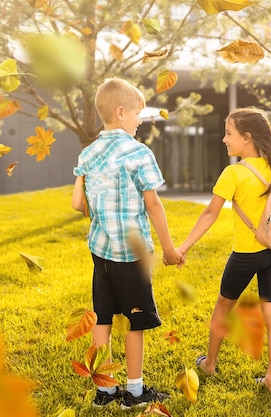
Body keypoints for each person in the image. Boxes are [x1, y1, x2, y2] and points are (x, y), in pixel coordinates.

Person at [71, 77, 184, 409]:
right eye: (137, 114)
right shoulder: (138, 153)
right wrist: (168, 248)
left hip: (100, 252)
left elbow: (78, 204)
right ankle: (134, 392)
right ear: (121, 112)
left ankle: (104, 390)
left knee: (103, 316)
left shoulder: (88, 153)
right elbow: (153, 205)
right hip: (131, 254)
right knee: (136, 321)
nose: (139, 120)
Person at [178, 107, 271, 394]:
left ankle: (209, 363)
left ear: (247, 138)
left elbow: (210, 214)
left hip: (246, 255)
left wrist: (183, 247)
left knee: (223, 307)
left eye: (229, 134)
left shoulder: (234, 173)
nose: (224, 140)